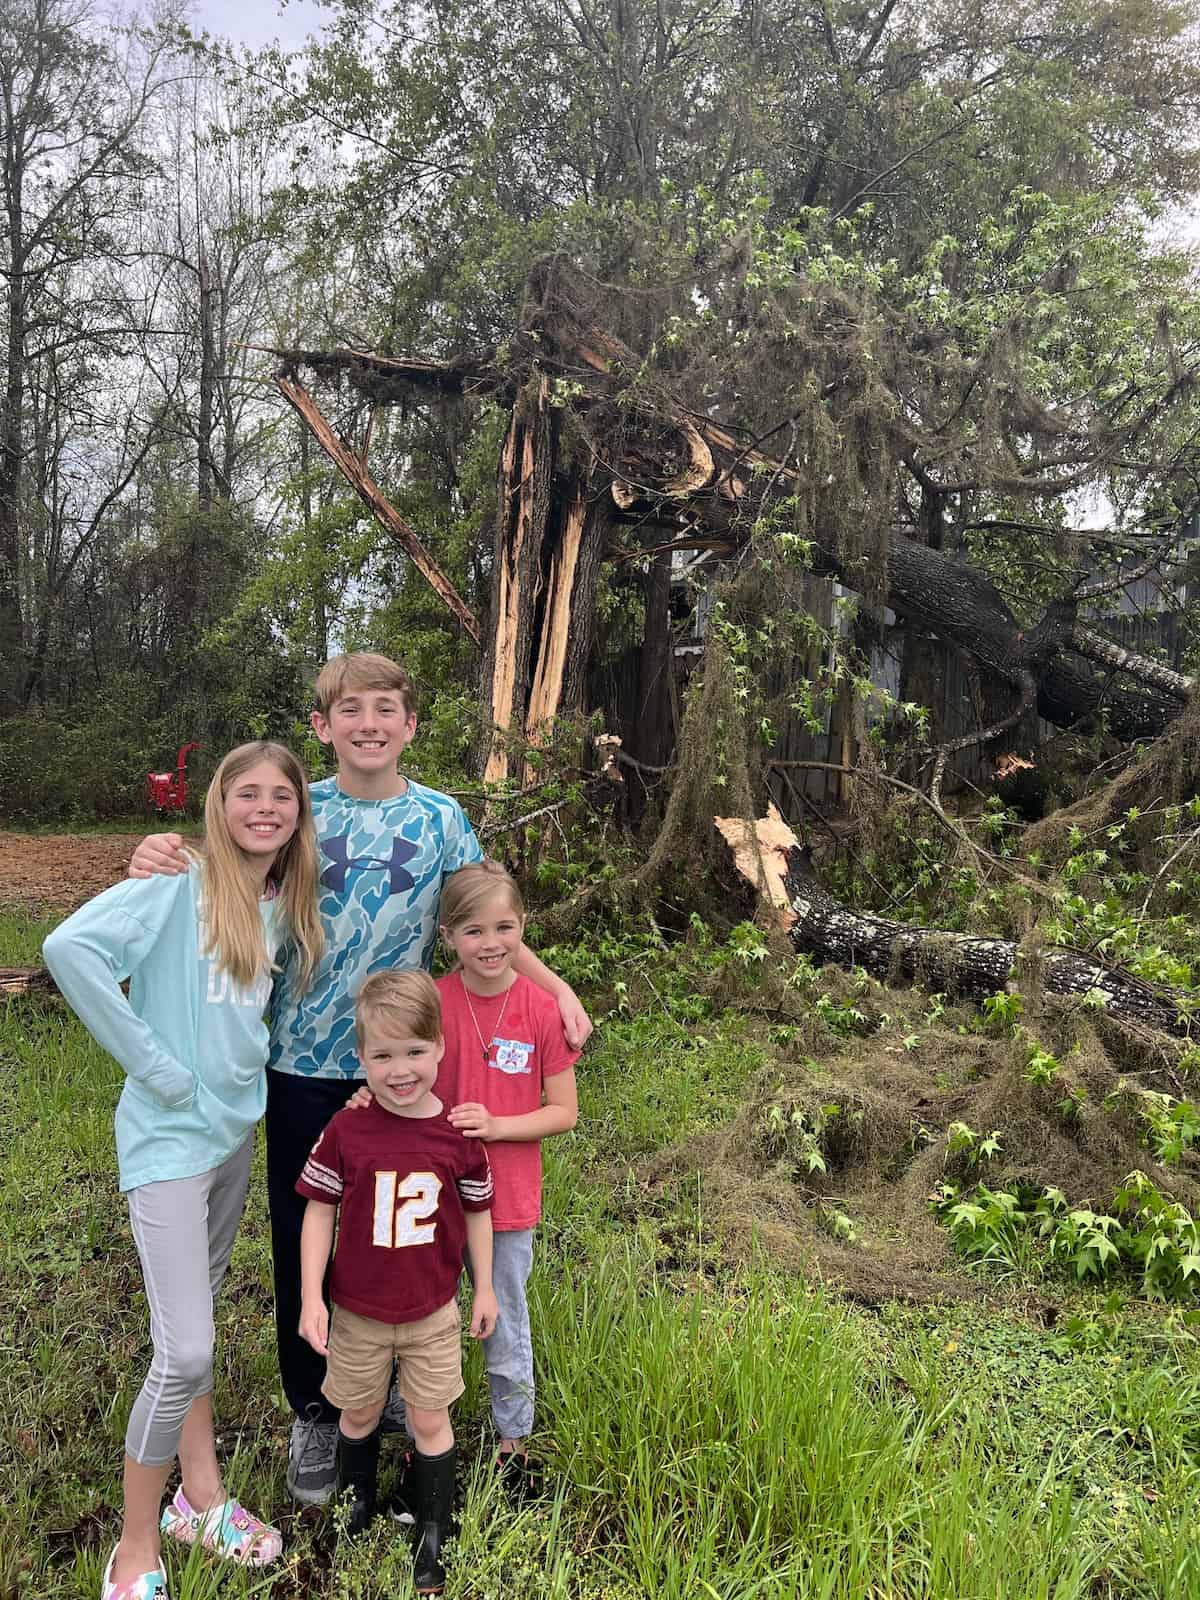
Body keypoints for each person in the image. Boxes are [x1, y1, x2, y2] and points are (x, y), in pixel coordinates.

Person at [128, 652, 592, 1505]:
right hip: (303, 1063)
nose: (369, 723)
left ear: (410, 725)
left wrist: (554, 987)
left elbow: (482, 916)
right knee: (312, 1225)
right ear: (323, 727)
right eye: (351, 710)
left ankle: (410, 1394)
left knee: (406, 1231)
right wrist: (161, 850)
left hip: (411, 1066)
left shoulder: (443, 819)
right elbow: (225, 860)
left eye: (386, 708)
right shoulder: (303, 816)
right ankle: (317, 1404)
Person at [43, 743, 324, 1600]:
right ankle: (135, 1545)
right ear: (218, 803)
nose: (265, 807)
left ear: (298, 815)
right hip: (166, 1142)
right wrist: (158, 1069)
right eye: (248, 793)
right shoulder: (175, 884)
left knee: (190, 1322)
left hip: (232, 1137)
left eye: (283, 795)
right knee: (188, 1351)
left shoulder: (278, 902)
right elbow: (68, 949)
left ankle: (199, 1499)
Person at [297, 970, 496, 1595]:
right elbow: (319, 1210)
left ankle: (434, 1527)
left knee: (428, 1418)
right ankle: (356, 1505)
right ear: (361, 1059)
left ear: (440, 1047)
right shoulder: (347, 1130)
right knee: (355, 1411)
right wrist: (310, 1297)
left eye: (414, 1051)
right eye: (382, 1055)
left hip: (432, 1311)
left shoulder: (459, 1135)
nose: (400, 1069)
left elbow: (478, 1211)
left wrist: (484, 1288)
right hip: (357, 1309)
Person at [439, 860, 579, 1501]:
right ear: (448, 937)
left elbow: (563, 1112)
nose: (490, 943)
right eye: (473, 930)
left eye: (504, 928)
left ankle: (512, 1445)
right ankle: (419, 1429)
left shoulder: (541, 1011)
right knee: (425, 1316)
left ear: (522, 929)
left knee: (504, 1319)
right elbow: (400, 1077)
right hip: (434, 1199)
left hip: (507, 1201)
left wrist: (497, 1127)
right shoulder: (434, 1003)